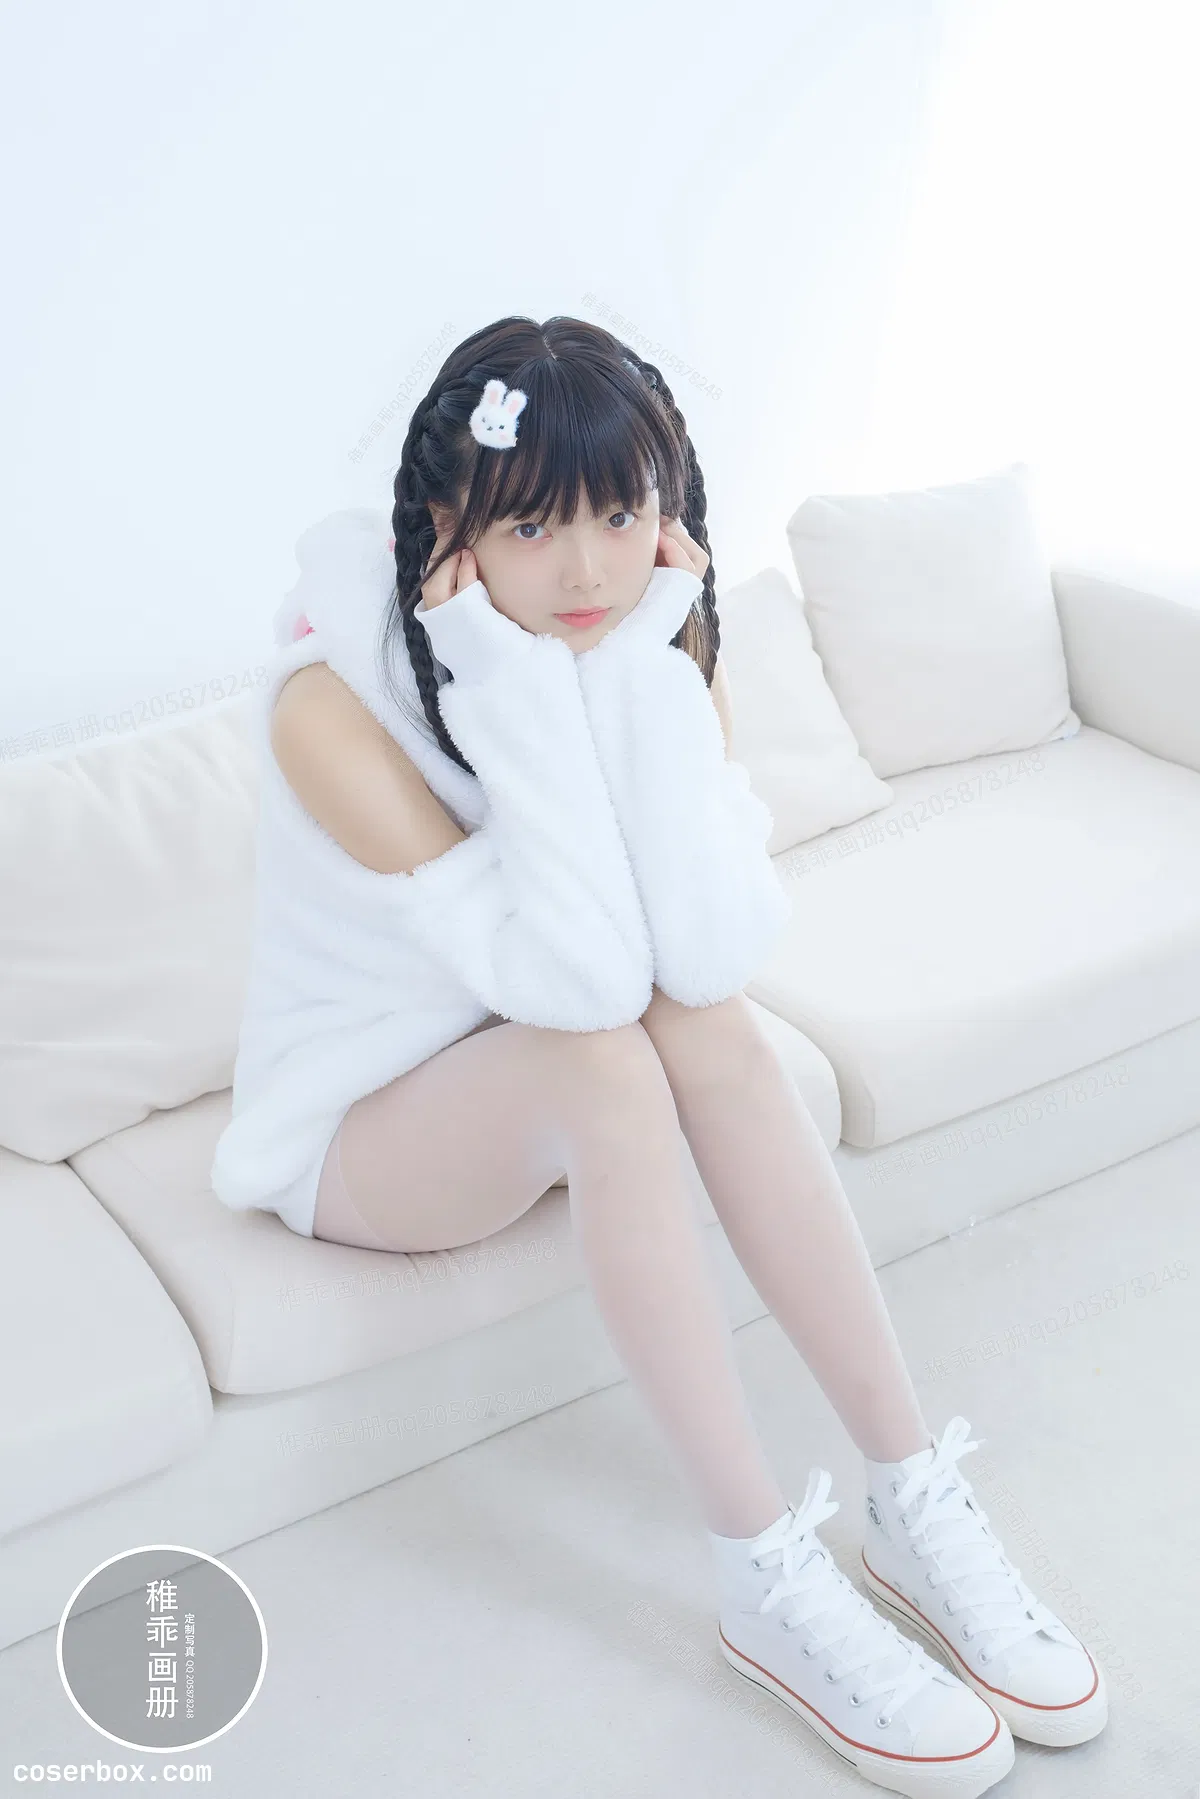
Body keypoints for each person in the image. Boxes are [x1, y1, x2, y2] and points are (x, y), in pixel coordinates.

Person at [211, 314, 1106, 1797]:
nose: (587, 571)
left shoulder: (653, 643)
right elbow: (570, 984)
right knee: (605, 1064)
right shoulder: (332, 702)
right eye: (534, 526)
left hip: (536, 1040)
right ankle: (762, 1570)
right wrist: (503, 681)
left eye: (623, 517)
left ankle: (908, 1493)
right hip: (360, 1127)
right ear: (448, 531)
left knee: (712, 1026)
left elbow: (701, 954)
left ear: (670, 513)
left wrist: (646, 679)